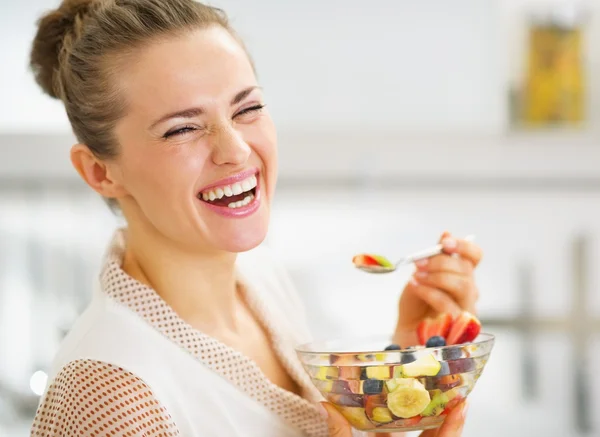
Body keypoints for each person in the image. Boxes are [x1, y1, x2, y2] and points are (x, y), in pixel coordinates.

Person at [28, 1, 482, 436]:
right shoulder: (108, 398)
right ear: (100, 172)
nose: (237, 150)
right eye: (182, 128)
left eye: (247, 109)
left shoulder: (261, 279)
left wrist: (405, 360)